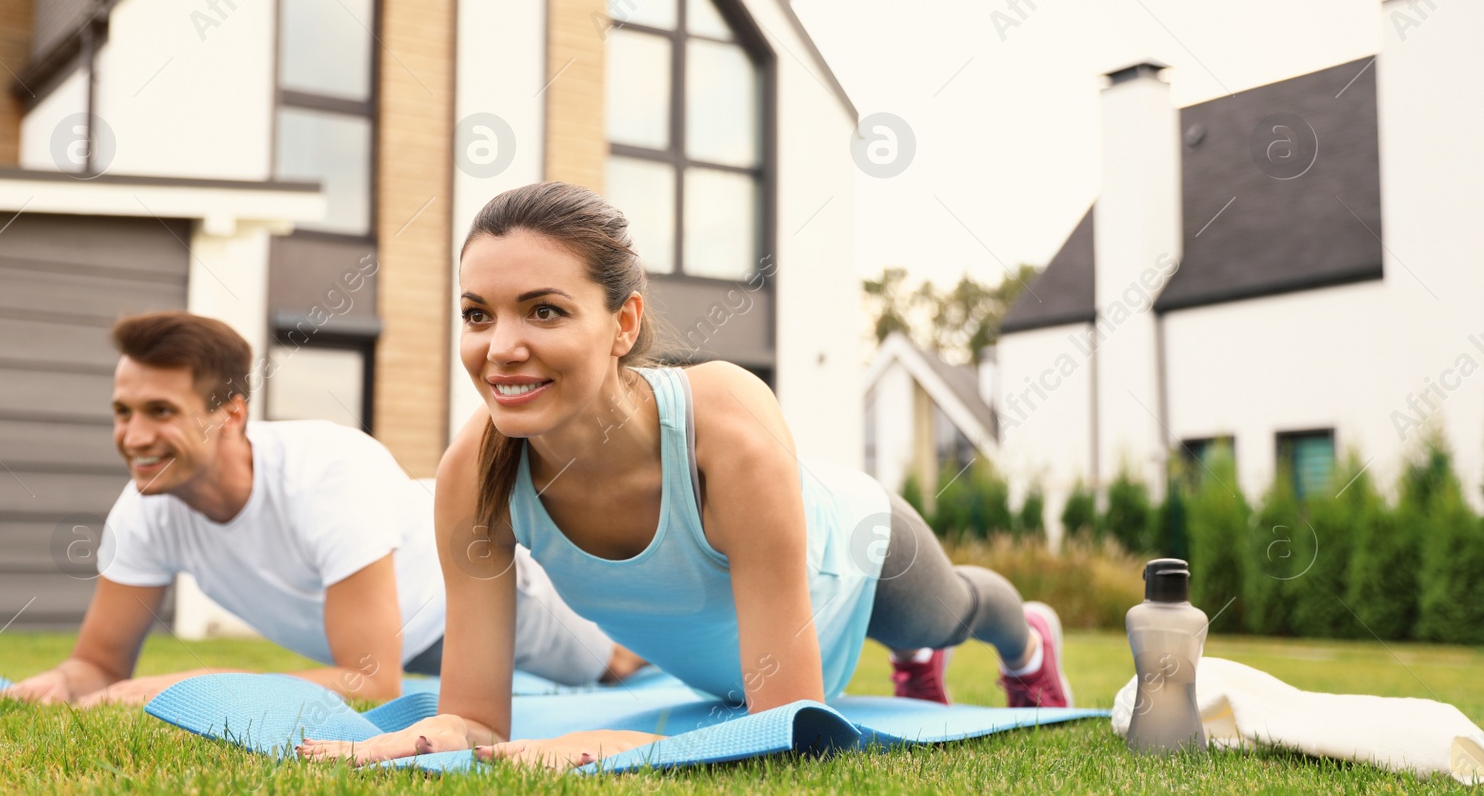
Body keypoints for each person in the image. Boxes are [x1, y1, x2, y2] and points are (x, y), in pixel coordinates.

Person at [299, 183, 1073, 767]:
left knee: (949, 614)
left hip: (858, 554)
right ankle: (922, 660)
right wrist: (416, 738)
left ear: (624, 324)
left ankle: (1027, 642)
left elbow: (790, 723)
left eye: (543, 311)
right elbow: (477, 719)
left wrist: (600, 741)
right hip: (730, 658)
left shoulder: (724, 423)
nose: (500, 347)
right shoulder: (474, 474)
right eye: (478, 314)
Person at [0, 311, 644, 707]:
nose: (134, 437)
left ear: (230, 415)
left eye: (161, 412)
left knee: (610, 663)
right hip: (381, 641)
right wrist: (61, 682)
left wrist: (192, 684)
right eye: (123, 411)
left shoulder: (326, 472)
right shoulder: (145, 504)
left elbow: (371, 685)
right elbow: (98, 667)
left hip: (476, 596)